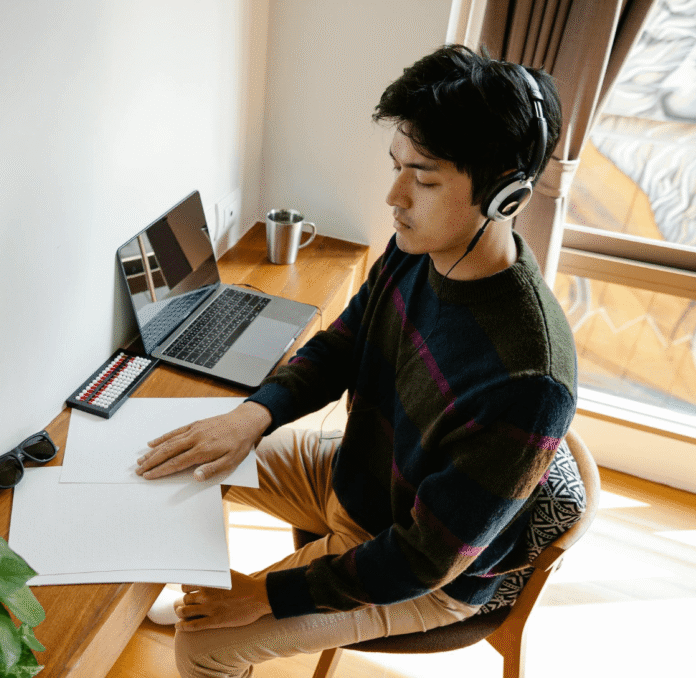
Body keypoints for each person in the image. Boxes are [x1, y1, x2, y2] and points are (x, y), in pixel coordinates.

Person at [134, 44, 577, 678]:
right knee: (183, 453)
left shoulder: (529, 380)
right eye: (396, 167)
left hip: (421, 565)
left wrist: (260, 595)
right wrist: (251, 417)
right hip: (357, 477)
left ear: (506, 197)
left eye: (423, 178)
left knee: (200, 650)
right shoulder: (418, 247)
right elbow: (343, 344)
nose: (395, 196)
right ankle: (201, 596)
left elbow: (426, 558)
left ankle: (209, 613)